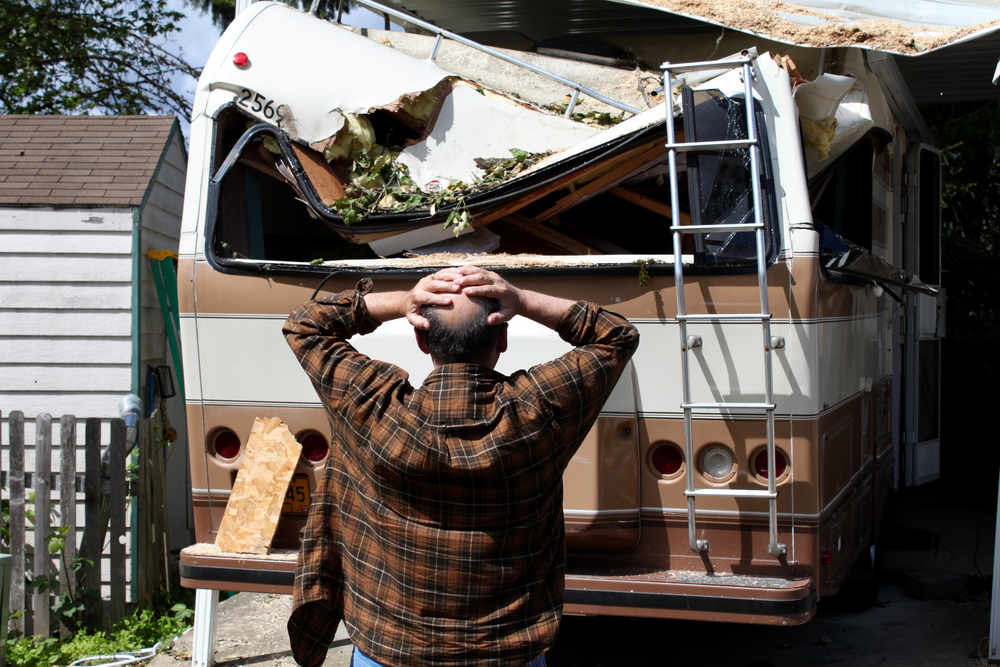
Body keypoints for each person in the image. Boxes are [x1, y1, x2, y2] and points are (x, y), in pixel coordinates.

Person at [284, 265, 639, 667]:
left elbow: (305, 325)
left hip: (390, 649)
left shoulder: (373, 405)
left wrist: (402, 301)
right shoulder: (539, 410)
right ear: (502, 336)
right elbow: (616, 334)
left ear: (421, 337)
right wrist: (522, 300)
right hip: (508, 653)